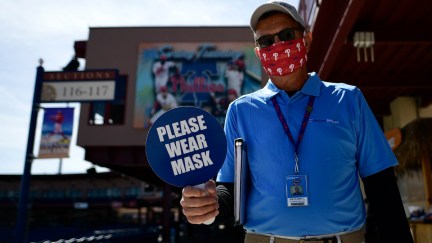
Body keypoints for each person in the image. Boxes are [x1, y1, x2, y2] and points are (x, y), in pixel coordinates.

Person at [180, 1, 413, 242]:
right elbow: (229, 189)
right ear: (258, 52)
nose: (278, 46)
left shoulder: (348, 99)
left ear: (307, 39)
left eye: (287, 34)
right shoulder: (240, 110)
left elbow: (382, 187)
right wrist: (207, 208)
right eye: (266, 41)